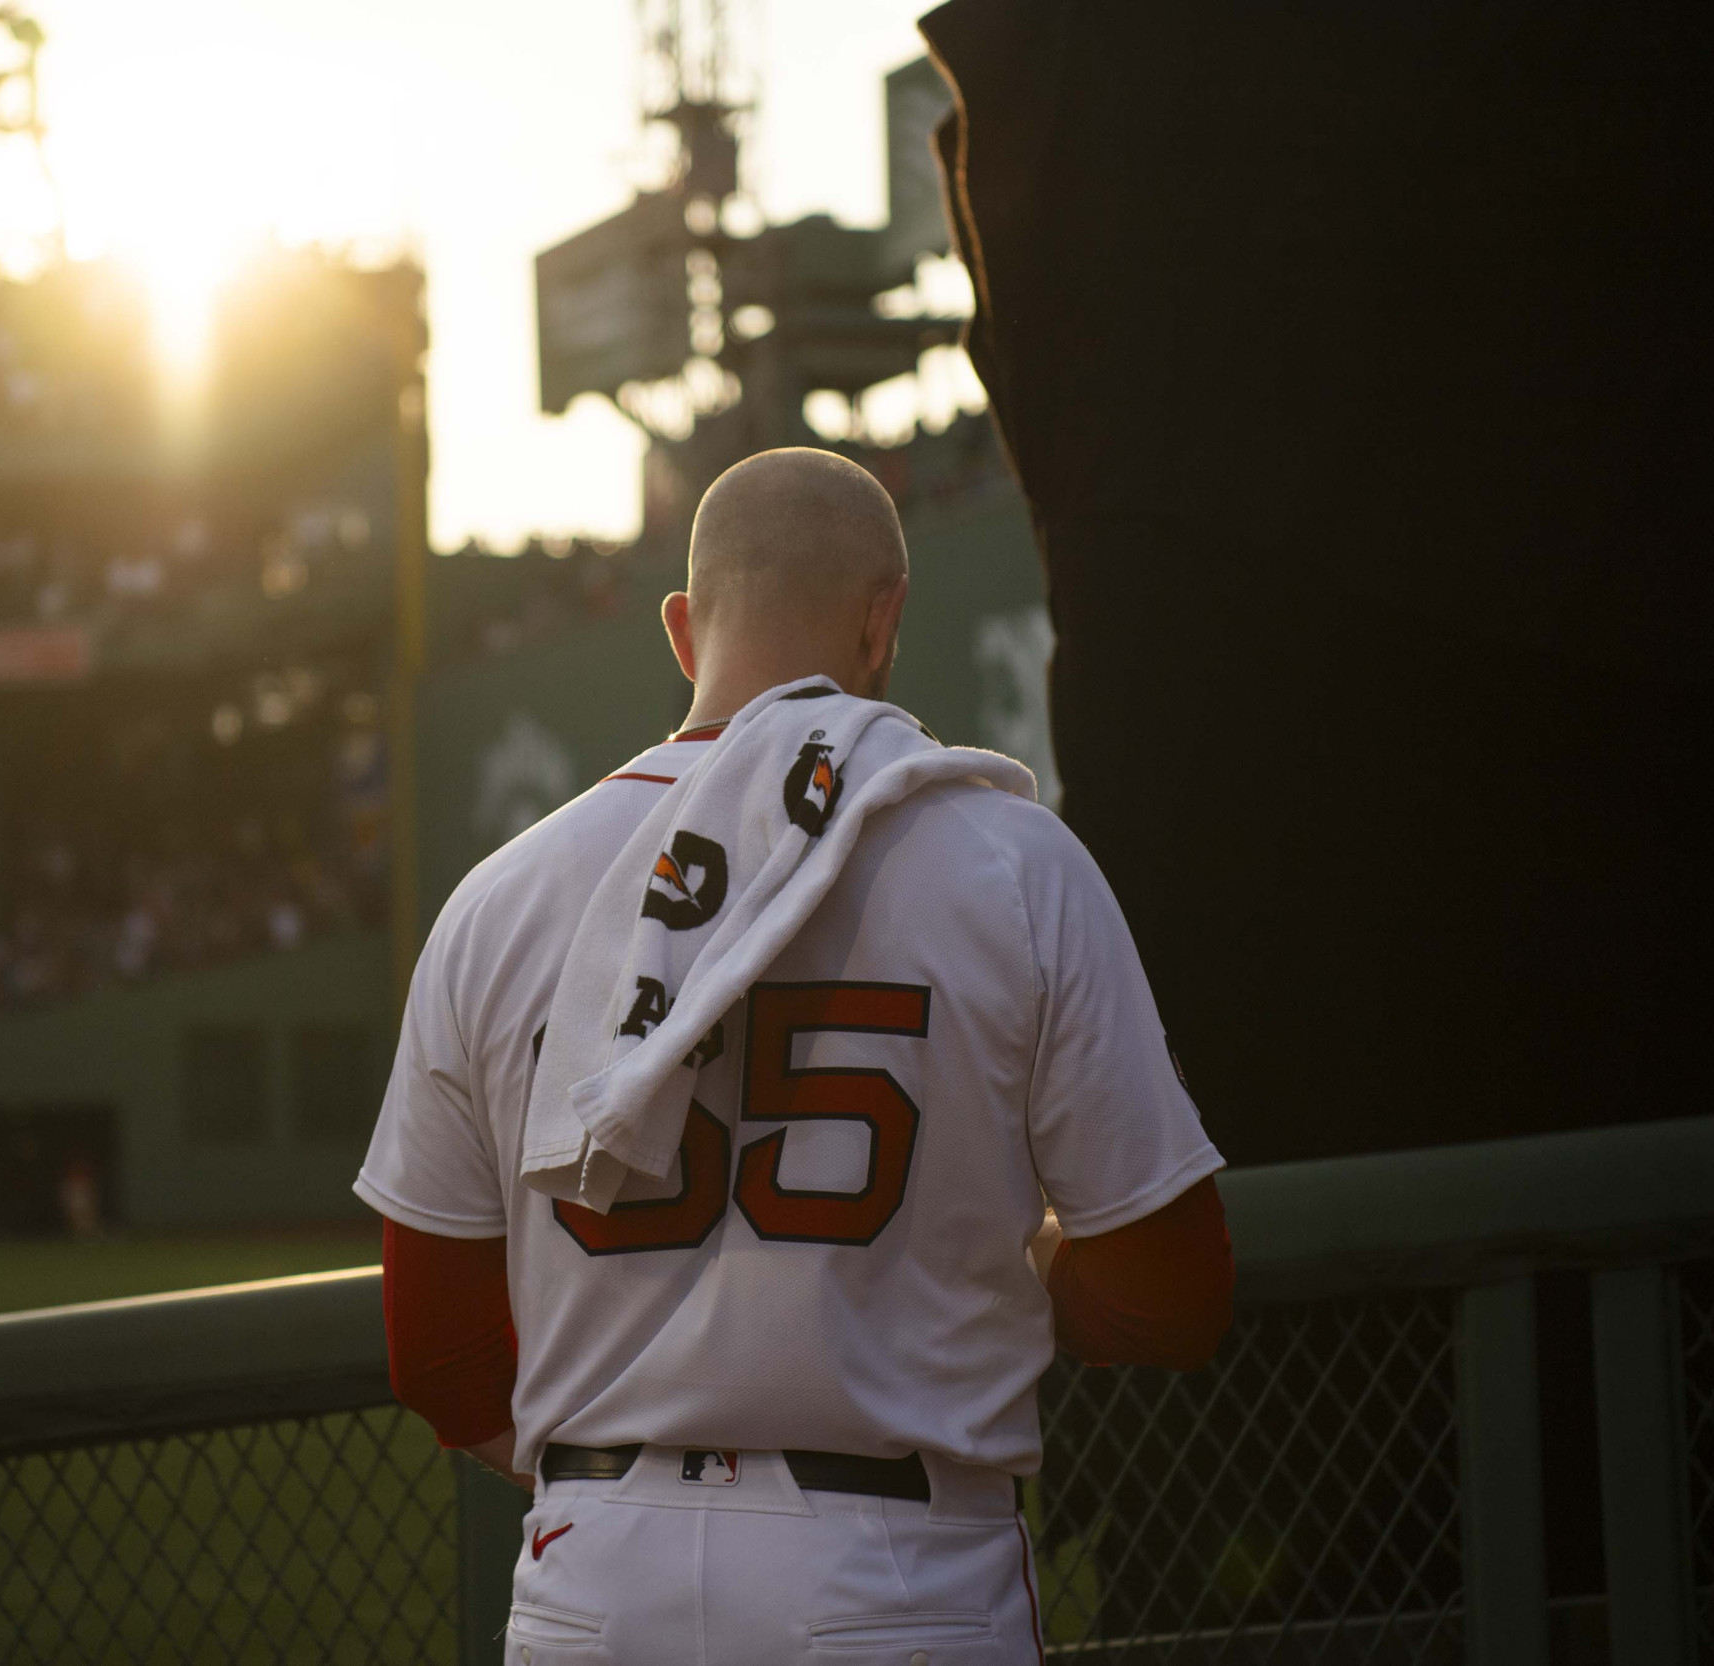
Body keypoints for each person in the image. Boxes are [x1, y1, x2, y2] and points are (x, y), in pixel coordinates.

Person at [356, 448, 1234, 1665]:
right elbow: (1170, 1292)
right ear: (886, 620)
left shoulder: (495, 900)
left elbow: (437, 1352)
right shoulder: (1014, 862)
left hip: (593, 1583)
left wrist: (629, 1476)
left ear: (681, 627)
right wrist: (1035, 1268)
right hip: (896, 1569)